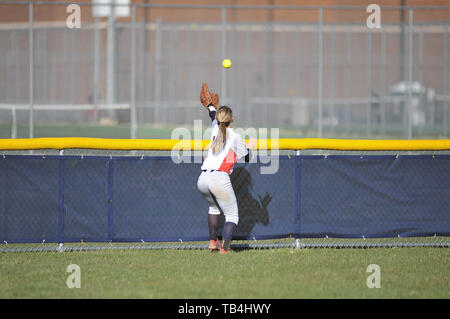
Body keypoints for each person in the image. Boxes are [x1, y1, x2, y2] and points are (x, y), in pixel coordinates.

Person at [197, 92, 256, 254]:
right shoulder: (235, 136)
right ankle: (225, 248)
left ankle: (212, 242)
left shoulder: (215, 129)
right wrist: (250, 147)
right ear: (232, 120)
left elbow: (212, 116)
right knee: (232, 216)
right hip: (219, 178)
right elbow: (246, 158)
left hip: (202, 179)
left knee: (214, 209)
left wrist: (210, 107)